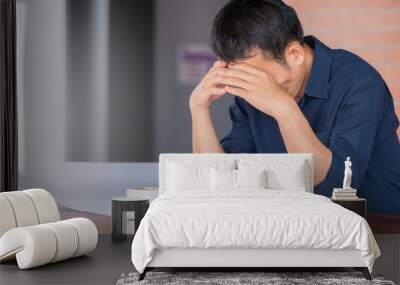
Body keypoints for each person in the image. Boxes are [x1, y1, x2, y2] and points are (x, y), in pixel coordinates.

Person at [189, 0, 400, 214]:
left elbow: (334, 188)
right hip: (295, 229)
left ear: (295, 54)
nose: (254, 88)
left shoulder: (359, 82)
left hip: (379, 231)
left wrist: (284, 108)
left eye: (259, 78)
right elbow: (224, 183)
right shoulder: (249, 95)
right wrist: (199, 109)